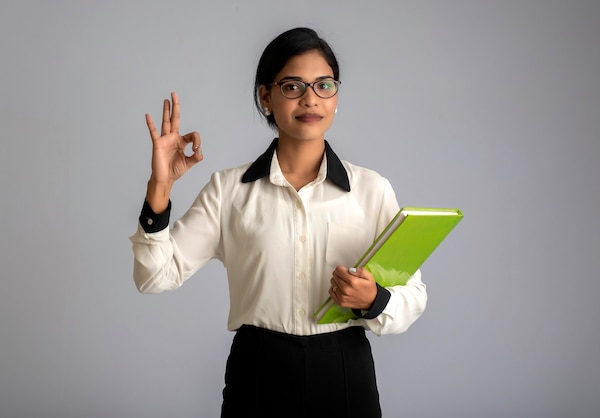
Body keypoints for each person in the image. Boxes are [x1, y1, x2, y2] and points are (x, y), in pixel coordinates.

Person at [130, 27, 427, 418]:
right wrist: (159, 188)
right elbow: (155, 277)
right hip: (258, 372)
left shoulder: (371, 190)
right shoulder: (229, 190)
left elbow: (413, 296)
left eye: (324, 85)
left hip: (343, 371)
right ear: (265, 96)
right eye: (292, 86)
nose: (310, 99)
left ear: (336, 97)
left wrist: (374, 301)